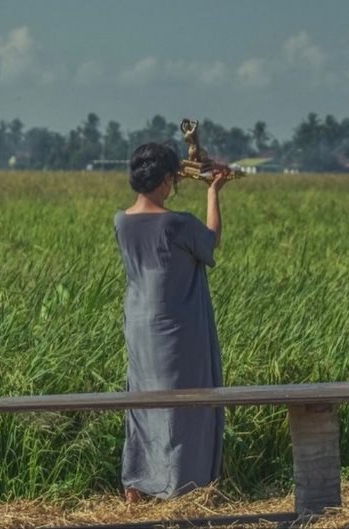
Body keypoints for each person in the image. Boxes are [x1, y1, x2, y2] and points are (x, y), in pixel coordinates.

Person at [114, 142, 227, 503]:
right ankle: (180, 486)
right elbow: (210, 243)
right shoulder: (178, 224)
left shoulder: (121, 221)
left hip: (139, 326)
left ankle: (138, 482)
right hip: (177, 328)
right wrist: (213, 192)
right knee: (184, 406)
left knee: (144, 402)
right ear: (166, 180)